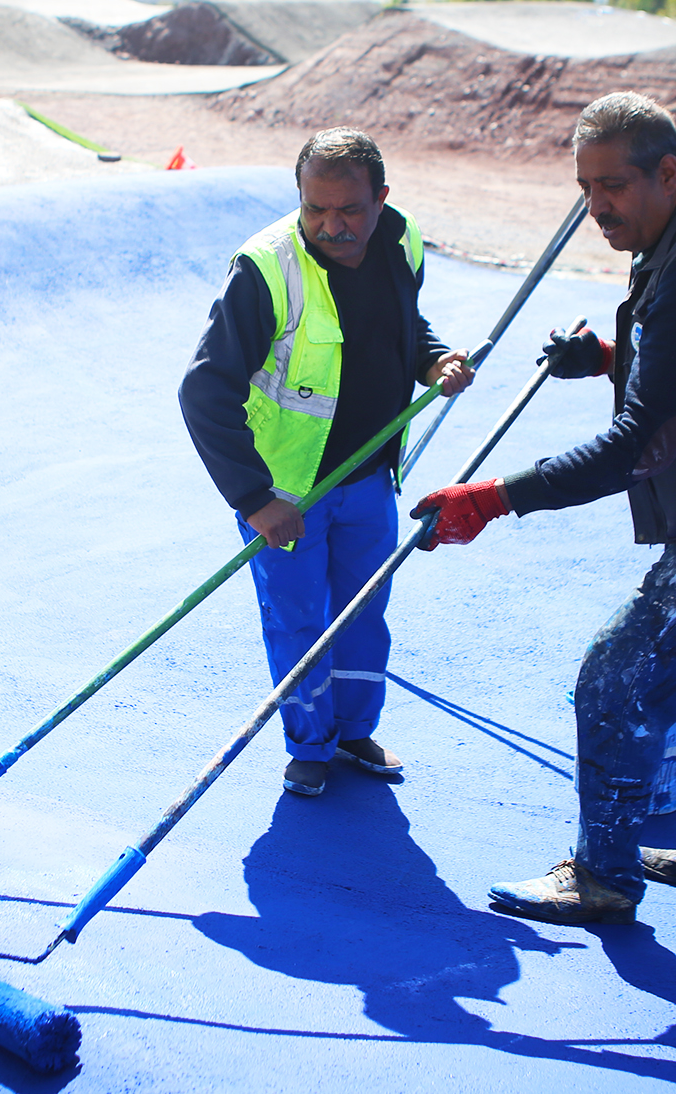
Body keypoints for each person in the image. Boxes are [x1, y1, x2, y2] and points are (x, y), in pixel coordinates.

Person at [411, 91, 676, 923]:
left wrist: (492, 499)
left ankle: (604, 876)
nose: (596, 207)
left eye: (612, 186)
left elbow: (634, 445)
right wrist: (615, 354)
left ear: (668, 172)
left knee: (616, 679)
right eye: (584, 187)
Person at [180, 127, 474, 797]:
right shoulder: (265, 269)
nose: (331, 225)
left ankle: (352, 730)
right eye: (315, 209)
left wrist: (433, 358)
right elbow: (202, 390)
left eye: (348, 210)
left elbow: (402, 324)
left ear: (381, 200)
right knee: (299, 620)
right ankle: (309, 744)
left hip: (370, 478)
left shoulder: (402, 239)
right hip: (289, 492)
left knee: (363, 611)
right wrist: (255, 498)